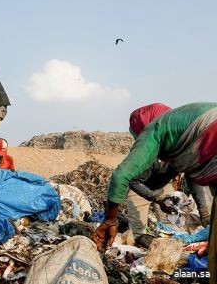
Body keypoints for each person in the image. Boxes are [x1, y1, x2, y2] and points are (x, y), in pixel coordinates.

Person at [92, 102, 217, 282]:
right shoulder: (175, 138)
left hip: (163, 186)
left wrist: (110, 220)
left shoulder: (157, 130)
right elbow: (127, 179)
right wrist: (157, 199)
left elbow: (193, 176)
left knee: (173, 230)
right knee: (139, 234)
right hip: (140, 189)